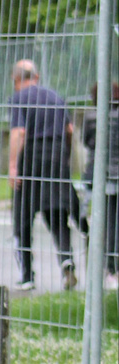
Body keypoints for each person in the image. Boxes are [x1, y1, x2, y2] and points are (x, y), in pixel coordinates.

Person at [8, 59, 83, 291]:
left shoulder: (19, 98)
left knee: (23, 218)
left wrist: (12, 167)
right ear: (37, 76)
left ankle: (27, 274)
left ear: (16, 79)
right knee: (58, 215)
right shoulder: (56, 97)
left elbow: (19, 133)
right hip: (56, 158)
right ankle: (66, 260)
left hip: (30, 159)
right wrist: (65, 156)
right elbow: (69, 131)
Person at [82, 81, 119, 290]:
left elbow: (87, 142)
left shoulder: (91, 117)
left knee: (99, 224)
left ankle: (100, 268)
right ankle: (113, 269)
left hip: (97, 177)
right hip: (115, 176)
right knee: (114, 225)